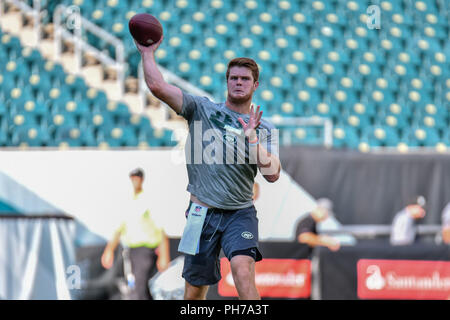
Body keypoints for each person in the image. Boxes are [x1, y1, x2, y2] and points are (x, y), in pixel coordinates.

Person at [134, 37, 281, 300]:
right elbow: (157, 86)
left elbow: (273, 174)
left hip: (239, 213)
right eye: (233, 78)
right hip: (200, 213)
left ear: (255, 85)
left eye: (245, 79)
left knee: (243, 271)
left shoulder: (263, 127)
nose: (238, 82)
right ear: (226, 82)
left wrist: (253, 139)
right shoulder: (201, 109)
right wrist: (147, 53)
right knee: (194, 292)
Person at [101, 168, 170, 300]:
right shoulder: (128, 201)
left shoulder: (148, 200)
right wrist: (109, 249)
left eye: (137, 178)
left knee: (137, 290)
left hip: (145, 250)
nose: (134, 181)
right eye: (132, 179)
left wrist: (164, 255)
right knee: (139, 287)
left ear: (141, 180)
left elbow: (161, 229)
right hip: (131, 251)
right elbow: (119, 228)